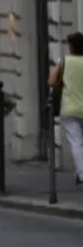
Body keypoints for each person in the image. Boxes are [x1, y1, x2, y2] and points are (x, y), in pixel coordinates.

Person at [49, 32, 83, 184]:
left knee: (77, 142)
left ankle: (82, 174)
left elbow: (51, 81)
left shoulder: (64, 62)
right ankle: (79, 171)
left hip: (69, 108)